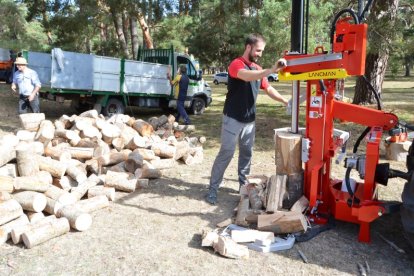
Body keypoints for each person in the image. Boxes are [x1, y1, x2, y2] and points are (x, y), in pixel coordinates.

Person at [205, 33, 289, 205]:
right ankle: (213, 189)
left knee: (246, 154)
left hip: (249, 120)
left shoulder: (258, 69)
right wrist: (271, 70)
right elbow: (246, 76)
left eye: (262, 51)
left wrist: (285, 100)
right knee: (226, 154)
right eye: (258, 50)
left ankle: (243, 187)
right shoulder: (236, 64)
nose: (260, 54)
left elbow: (268, 88)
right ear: (248, 47)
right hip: (232, 118)